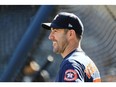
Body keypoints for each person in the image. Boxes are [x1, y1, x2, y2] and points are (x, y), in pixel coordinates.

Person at [41, 12, 101, 82]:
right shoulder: (87, 62)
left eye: (55, 31)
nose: (50, 37)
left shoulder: (71, 64)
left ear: (70, 34)